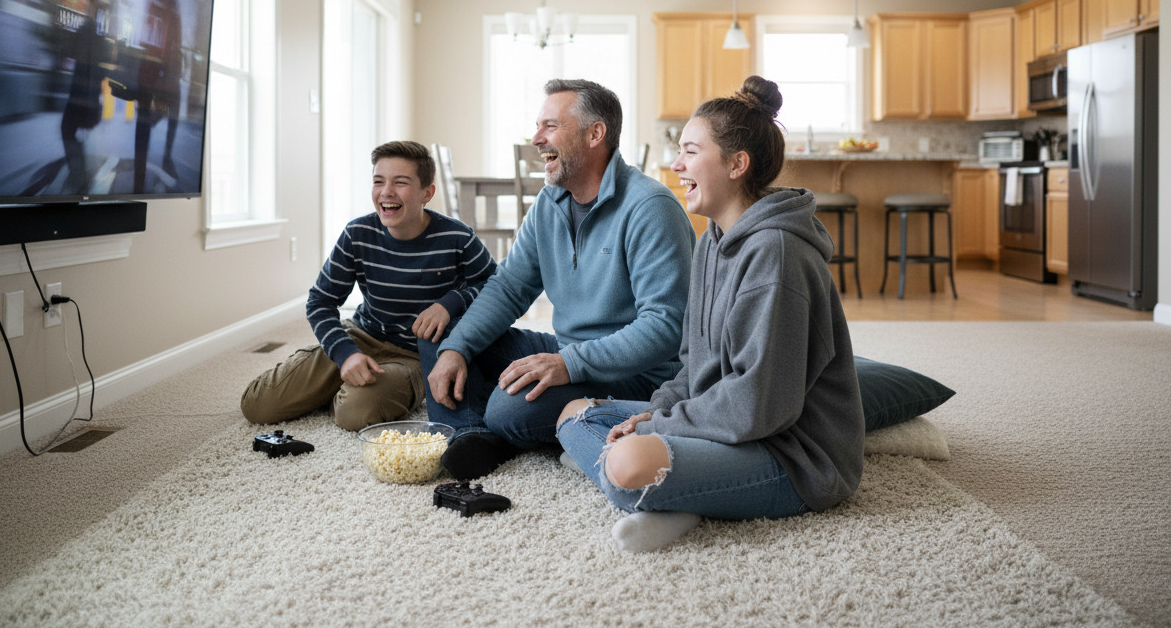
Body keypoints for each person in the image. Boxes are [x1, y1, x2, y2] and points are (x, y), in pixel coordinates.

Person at [555, 76, 865, 553]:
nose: (676, 164)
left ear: (737, 164)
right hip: (727, 426)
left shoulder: (776, 255)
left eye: (691, 152)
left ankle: (659, 492)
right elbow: (692, 365)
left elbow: (759, 406)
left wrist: (658, 427)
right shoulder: (712, 240)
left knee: (627, 461)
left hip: (791, 454)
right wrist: (659, 410)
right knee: (574, 415)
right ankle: (674, 495)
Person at [424, 79, 696, 479]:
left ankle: (498, 428)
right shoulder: (548, 204)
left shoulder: (650, 207)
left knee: (509, 408)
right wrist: (458, 348)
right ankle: (470, 434)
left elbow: (667, 327)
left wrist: (569, 363)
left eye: (550, 126)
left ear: (594, 134)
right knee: (442, 332)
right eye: (538, 126)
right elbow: (509, 287)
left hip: (638, 374)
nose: (536, 139)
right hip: (569, 352)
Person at [241, 141, 497, 431]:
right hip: (362, 336)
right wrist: (345, 354)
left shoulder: (457, 237)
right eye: (378, 181)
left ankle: (352, 387)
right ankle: (346, 373)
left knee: (353, 414)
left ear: (427, 192)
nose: (386, 192)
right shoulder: (357, 234)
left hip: (415, 355)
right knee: (256, 404)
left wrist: (449, 303)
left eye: (400, 182)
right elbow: (320, 301)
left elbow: (494, 284)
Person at [59, 0, 112, 193]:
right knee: (67, 129)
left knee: (66, 128)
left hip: (85, 88)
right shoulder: (96, 6)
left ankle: (79, 175)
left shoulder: (98, 8)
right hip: (85, 86)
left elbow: (93, 49)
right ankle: (79, 174)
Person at [133, 0, 182, 191]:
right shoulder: (156, 0)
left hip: (164, 72)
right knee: (146, 121)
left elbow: (176, 39)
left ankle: (166, 156)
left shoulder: (170, 2)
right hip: (150, 71)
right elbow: (146, 35)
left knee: (173, 107)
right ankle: (139, 181)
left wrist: (175, 68)